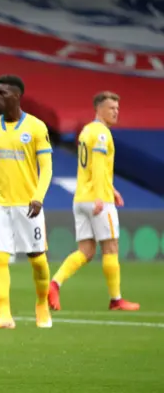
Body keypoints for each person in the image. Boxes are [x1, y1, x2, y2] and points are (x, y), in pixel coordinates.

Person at [0, 75, 53, 329]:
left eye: (2, 93)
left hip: (28, 205)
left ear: (17, 97)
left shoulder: (37, 127)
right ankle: (4, 314)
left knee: (37, 259)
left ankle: (42, 304)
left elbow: (47, 168)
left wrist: (38, 197)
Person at [48, 92, 139, 312]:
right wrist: (101, 195)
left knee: (86, 251)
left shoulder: (87, 131)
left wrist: (112, 189)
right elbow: (98, 165)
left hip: (81, 198)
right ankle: (116, 299)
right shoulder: (101, 134)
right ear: (98, 109)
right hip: (97, 200)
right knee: (111, 247)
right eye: (111, 108)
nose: (115, 112)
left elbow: (91, 169)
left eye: (117, 108)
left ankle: (54, 284)